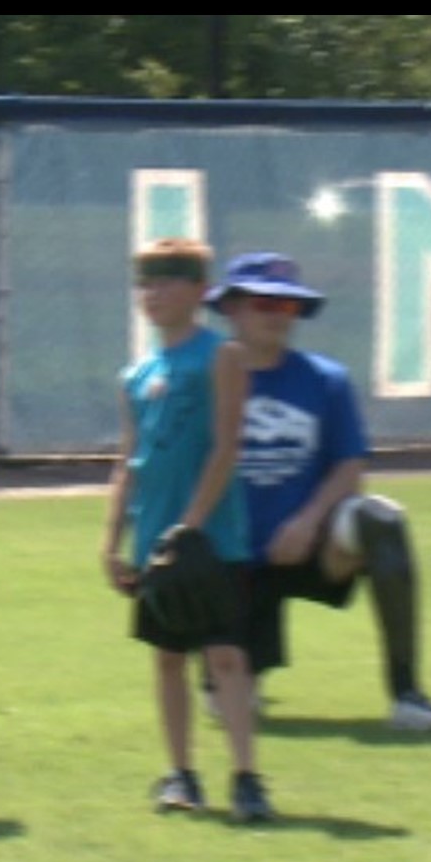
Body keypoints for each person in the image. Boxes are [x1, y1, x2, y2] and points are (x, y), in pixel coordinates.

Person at [202, 251, 431, 734]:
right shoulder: (204, 380)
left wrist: (308, 520)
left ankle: (408, 695)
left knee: (380, 519)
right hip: (234, 561)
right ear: (233, 308)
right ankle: (229, 668)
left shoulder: (325, 380)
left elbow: (350, 462)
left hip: (308, 548)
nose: (279, 316)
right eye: (265, 303)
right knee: (234, 704)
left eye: (288, 307)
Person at [101, 238, 273, 821]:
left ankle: (247, 776)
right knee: (168, 657)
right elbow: (130, 460)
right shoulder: (136, 374)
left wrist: (192, 526)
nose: (153, 294)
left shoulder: (219, 356)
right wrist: (113, 541)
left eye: (167, 282)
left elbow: (226, 447)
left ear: (199, 292)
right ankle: (182, 774)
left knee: (225, 655)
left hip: (212, 538)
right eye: (145, 284)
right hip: (154, 537)